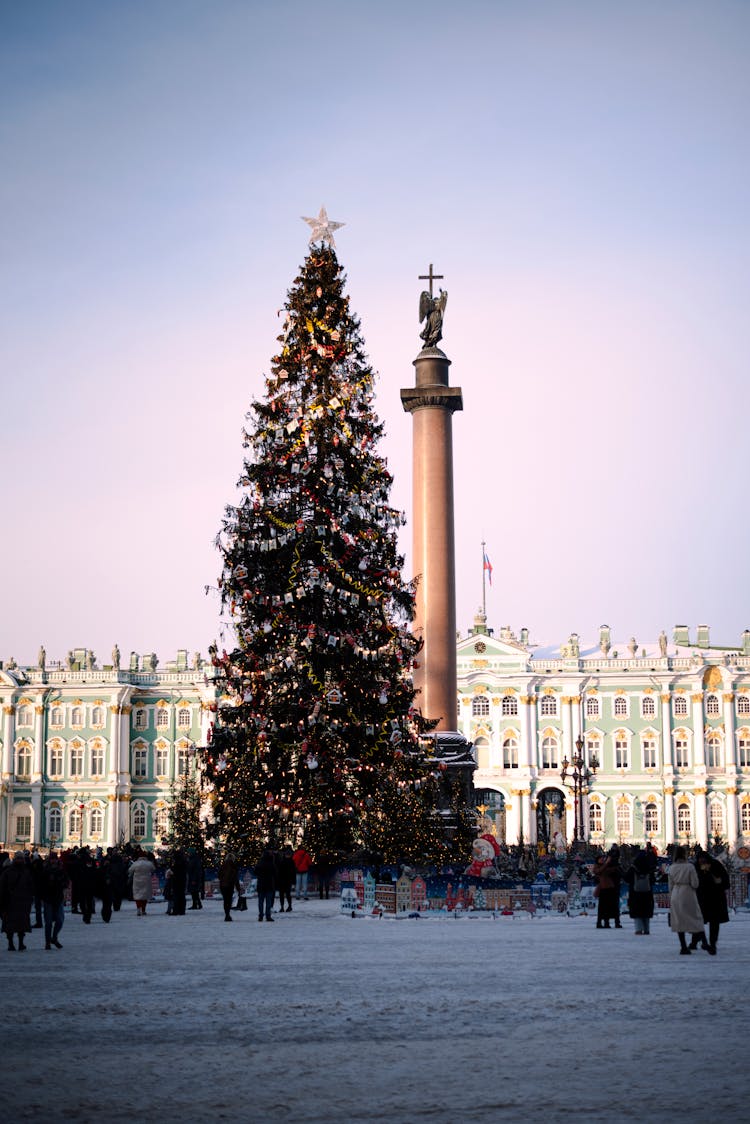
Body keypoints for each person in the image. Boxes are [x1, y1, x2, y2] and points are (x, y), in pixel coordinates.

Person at [668, 846, 706, 954]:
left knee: (679, 921)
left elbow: (670, 885)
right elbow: (695, 883)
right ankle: (701, 940)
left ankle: (683, 947)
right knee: (696, 918)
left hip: (676, 893)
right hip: (688, 893)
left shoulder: (672, 867)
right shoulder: (690, 867)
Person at [695, 851, 730, 955]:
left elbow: (725, 881)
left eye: (703, 859)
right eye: (700, 859)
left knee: (713, 923)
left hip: (715, 899)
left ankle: (712, 943)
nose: (701, 861)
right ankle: (702, 942)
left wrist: (719, 881)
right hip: (703, 898)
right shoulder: (696, 867)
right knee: (699, 922)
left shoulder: (715, 865)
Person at [0, 851, 34, 950]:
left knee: (21, 925)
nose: (19, 860)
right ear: (15, 859)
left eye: (21, 858)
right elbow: (2, 887)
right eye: (18, 858)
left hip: (22, 902)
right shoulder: (8, 872)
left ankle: (20, 943)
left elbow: (31, 886)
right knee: (10, 925)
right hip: (10, 902)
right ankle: (11, 943)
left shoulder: (26, 872)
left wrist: (29, 898)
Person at [42, 851, 69, 950]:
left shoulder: (61, 870)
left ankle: (54, 937)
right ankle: (48, 942)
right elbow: (41, 883)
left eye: (55, 859)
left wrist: (61, 883)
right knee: (48, 922)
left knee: (60, 921)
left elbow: (66, 881)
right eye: (52, 859)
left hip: (58, 898)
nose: (53, 860)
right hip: (48, 898)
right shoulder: (45, 870)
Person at [625, 849, 655, 934]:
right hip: (647, 894)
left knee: (637, 912)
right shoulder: (649, 867)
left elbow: (627, 878)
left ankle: (638, 929)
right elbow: (653, 880)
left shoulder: (633, 868)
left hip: (635, 894)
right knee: (646, 912)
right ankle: (647, 929)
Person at [593, 845, 622, 929]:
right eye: (601, 858)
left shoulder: (604, 866)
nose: (602, 859)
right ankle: (603, 922)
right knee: (603, 907)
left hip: (609, 888)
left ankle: (607, 922)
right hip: (604, 889)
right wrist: (607, 863)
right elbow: (600, 871)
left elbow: (610, 870)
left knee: (609, 906)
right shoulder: (598, 867)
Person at [128, 851, 156, 917]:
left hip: (137, 882)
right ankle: (143, 910)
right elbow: (153, 869)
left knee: (138, 896)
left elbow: (130, 870)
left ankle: (138, 909)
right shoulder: (149, 863)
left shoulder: (135, 863)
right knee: (144, 896)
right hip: (146, 881)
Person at [218, 853, 241, 922]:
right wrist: (238, 888)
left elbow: (219, 875)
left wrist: (223, 880)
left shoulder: (223, 865)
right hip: (230, 885)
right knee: (229, 900)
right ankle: (227, 915)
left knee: (225, 900)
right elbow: (235, 878)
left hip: (223, 885)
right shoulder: (234, 866)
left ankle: (227, 914)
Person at [255, 849, 276, 922]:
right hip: (269, 884)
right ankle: (268, 916)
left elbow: (255, 872)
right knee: (268, 902)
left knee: (260, 901)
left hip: (261, 884)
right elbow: (275, 873)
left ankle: (261, 916)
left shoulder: (259, 863)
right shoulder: (271, 863)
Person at [277, 846, 295, 912]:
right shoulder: (288, 862)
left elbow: (293, 872)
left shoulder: (283, 861)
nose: (288, 856)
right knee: (285, 894)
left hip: (286, 881)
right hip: (284, 880)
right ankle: (285, 906)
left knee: (286, 894)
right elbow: (293, 872)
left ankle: (287, 906)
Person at [170, 848, 187, 916]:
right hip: (182, 879)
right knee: (181, 895)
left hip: (176, 879)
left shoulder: (176, 861)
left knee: (176, 895)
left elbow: (174, 869)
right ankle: (182, 910)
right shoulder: (184, 860)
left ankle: (176, 910)